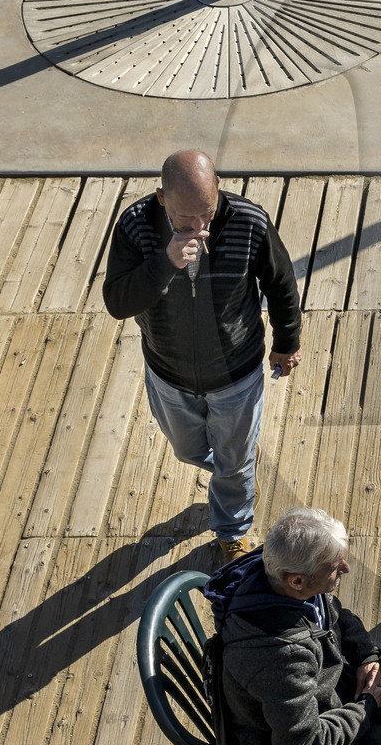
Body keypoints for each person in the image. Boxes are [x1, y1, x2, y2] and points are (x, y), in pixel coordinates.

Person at [102, 148, 300, 567]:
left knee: (231, 464)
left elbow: (281, 283)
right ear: (161, 198)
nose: (199, 228)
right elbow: (118, 302)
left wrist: (287, 341)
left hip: (237, 374)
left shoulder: (249, 221)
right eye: (185, 218)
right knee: (188, 451)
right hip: (168, 371)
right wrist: (165, 263)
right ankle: (240, 462)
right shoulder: (135, 227)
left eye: (207, 214)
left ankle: (232, 528)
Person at [207, 507, 381, 745]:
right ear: (296, 581)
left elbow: (336, 615)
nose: (345, 568)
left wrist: (365, 655)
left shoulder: (283, 582)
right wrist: (368, 707)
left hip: (328, 692)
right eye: (335, 566)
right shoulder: (279, 656)